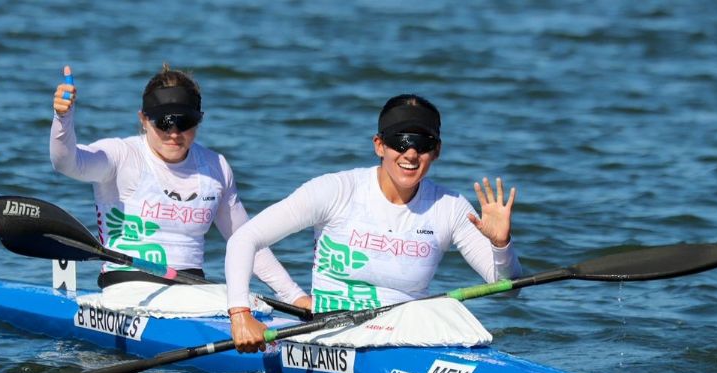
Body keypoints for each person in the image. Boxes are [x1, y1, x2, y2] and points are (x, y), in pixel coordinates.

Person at [225, 93, 523, 352]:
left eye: (422, 143)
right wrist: (241, 314)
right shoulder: (336, 191)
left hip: (406, 336)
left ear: (437, 151)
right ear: (379, 145)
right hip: (332, 332)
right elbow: (243, 239)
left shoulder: (451, 208)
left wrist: (501, 246)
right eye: (399, 141)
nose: (410, 153)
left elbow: (508, 290)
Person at [51, 64, 311, 308]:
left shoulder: (215, 167)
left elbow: (246, 241)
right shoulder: (122, 156)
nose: (174, 132)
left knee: (250, 305)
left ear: (200, 120)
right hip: (128, 291)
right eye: (163, 121)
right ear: (143, 119)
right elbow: (67, 163)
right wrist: (63, 118)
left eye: (184, 122)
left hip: (193, 292)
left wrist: (296, 297)